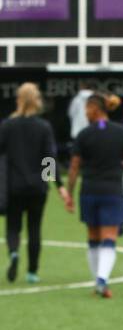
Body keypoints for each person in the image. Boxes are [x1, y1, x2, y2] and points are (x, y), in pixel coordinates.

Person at [63, 93, 123, 298]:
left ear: (95, 109)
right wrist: (118, 168)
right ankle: (101, 280)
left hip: (89, 191)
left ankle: (98, 279)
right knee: (108, 238)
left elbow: (74, 167)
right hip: (112, 191)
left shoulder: (84, 134)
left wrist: (68, 193)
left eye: (87, 108)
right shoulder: (121, 133)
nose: (85, 113)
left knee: (93, 238)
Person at [0, 82, 69, 284]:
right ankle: (32, 271)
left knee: (13, 226)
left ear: (19, 100)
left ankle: (13, 253)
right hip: (37, 188)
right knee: (34, 228)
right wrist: (57, 185)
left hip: (13, 185)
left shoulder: (7, 126)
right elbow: (49, 159)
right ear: (37, 100)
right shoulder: (43, 127)